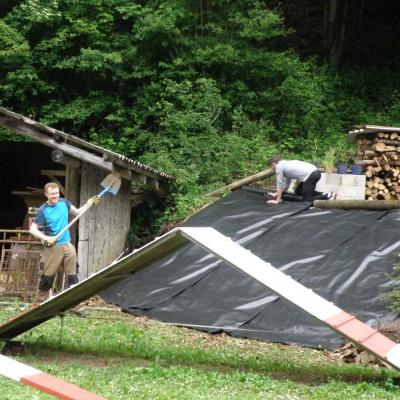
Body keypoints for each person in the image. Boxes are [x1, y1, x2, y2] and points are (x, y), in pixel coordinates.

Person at [29, 182, 100, 304]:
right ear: (46, 194)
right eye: (52, 194)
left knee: (73, 276)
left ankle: (76, 305)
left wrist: (88, 204)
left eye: (57, 193)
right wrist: (45, 238)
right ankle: (37, 304)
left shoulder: (64, 202)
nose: (55, 196)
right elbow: (32, 229)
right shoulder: (43, 210)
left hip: (67, 244)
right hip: (53, 247)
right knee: (47, 278)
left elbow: (77, 212)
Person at [267, 155, 334, 204]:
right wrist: (276, 193)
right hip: (313, 173)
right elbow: (287, 185)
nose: (272, 169)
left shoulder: (279, 167)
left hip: (311, 175)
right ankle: (324, 193)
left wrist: (277, 200)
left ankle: (327, 195)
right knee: (298, 191)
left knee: (306, 201)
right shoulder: (285, 164)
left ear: (273, 164)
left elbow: (279, 184)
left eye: (271, 167)